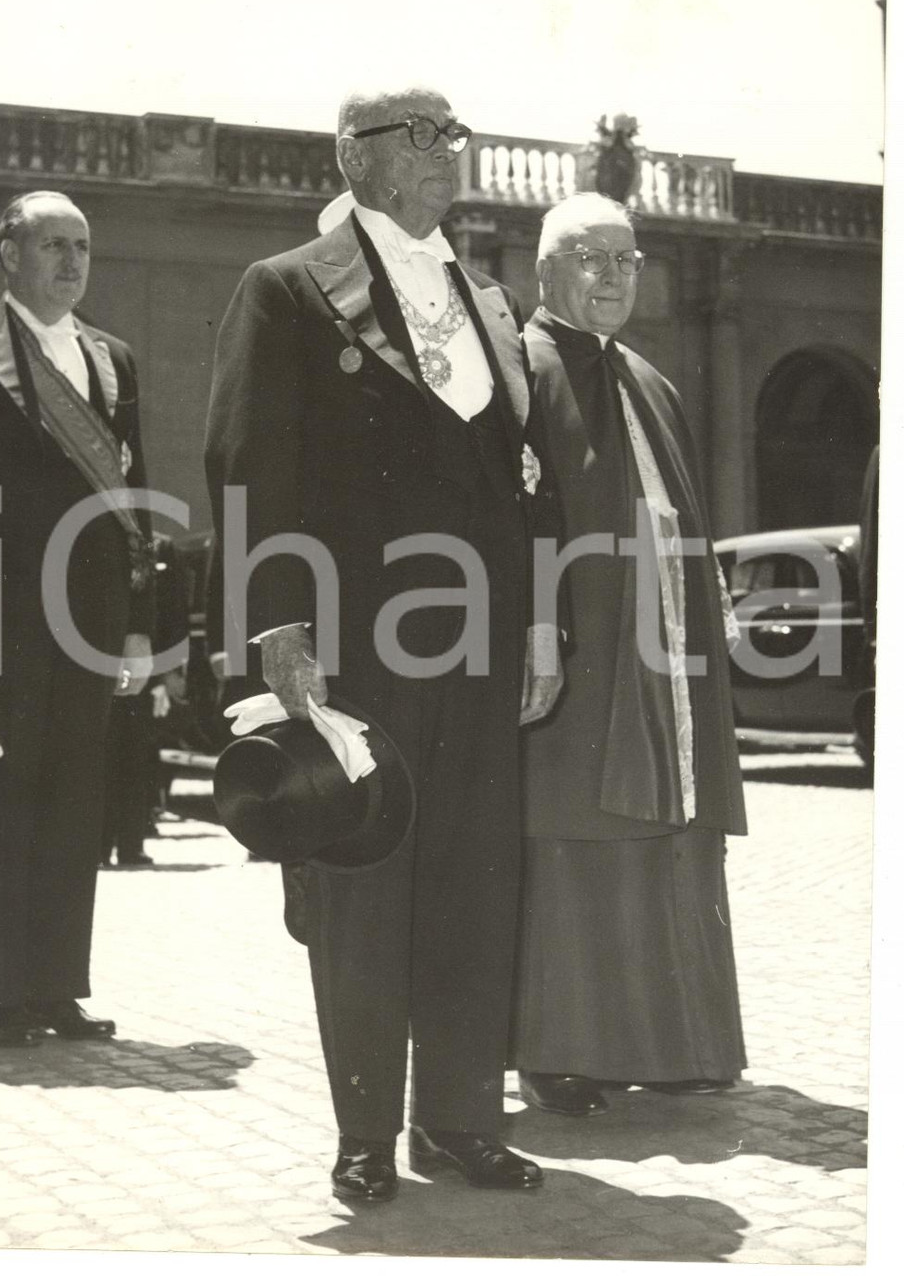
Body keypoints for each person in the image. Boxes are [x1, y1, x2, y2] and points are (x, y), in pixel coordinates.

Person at [205, 84, 565, 1201]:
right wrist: (274, 629)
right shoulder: (287, 289)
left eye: (453, 132)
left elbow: (529, 480)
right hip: (355, 643)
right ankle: (364, 1133)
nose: (447, 151)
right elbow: (243, 468)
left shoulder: (492, 301)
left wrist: (544, 616)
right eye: (420, 134)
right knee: (365, 884)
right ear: (354, 157)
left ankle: (456, 1120)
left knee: (475, 878)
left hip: (483, 637)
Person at [513, 193, 747, 1117]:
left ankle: (676, 1041)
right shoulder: (517, 370)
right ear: (545, 269)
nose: (613, 277)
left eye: (628, 260)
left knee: (673, 845)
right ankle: (562, 1048)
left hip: (670, 658)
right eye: (591, 258)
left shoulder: (654, 381)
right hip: (581, 653)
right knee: (577, 842)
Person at [0, 190, 154, 1049]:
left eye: (83, 246)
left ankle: (59, 988)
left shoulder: (115, 359)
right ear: (9, 253)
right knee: (3, 808)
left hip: (91, 621)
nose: (71, 261)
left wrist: (138, 622)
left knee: (74, 808)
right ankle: (2, 999)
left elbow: (135, 500)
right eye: (52, 244)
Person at [101, 533, 189, 868]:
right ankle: (97, 847)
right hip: (101, 663)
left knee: (135, 760)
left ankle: (130, 845)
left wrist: (168, 674)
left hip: (145, 673)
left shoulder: (162, 547)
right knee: (99, 759)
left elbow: (173, 614)